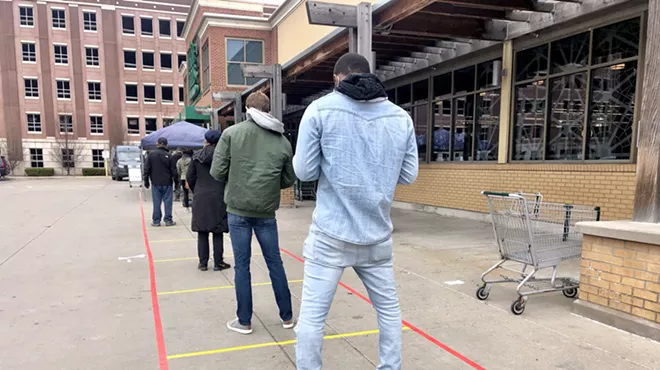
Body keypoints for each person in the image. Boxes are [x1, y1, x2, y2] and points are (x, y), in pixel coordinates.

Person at [292, 53, 419, 370]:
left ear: (337, 78)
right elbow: (408, 175)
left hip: (331, 233)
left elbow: (305, 172)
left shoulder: (320, 110)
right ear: (368, 75)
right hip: (376, 234)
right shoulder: (400, 118)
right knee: (388, 310)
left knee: (312, 316)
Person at [210, 91, 297, 335]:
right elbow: (288, 178)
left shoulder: (231, 134)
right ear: (268, 110)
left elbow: (217, 171)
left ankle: (245, 320)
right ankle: (287, 316)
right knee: (275, 263)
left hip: (238, 209)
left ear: (248, 110)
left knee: (242, 266)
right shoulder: (282, 141)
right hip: (266, 212)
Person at [186, 131, 231, 272]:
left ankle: (203, 263)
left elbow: (190, 177)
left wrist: (197, 190)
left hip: (201, 195)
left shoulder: (196, 156)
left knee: (202, 231)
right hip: (219, 195)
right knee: (217, 231)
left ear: (205, 140)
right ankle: (218, 263)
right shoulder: (224, 156)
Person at [143, 137, 178, 227]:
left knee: (156, 202)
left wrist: (146, 180)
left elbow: (146, 168)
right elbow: (174, 170)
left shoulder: (151, 154)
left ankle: (156, 220)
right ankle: (168, 219)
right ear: (166, 145)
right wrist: (176, 182)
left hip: (155, 182)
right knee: (168, 201)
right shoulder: (169, 155)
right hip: (167, 182)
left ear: (157, 144)